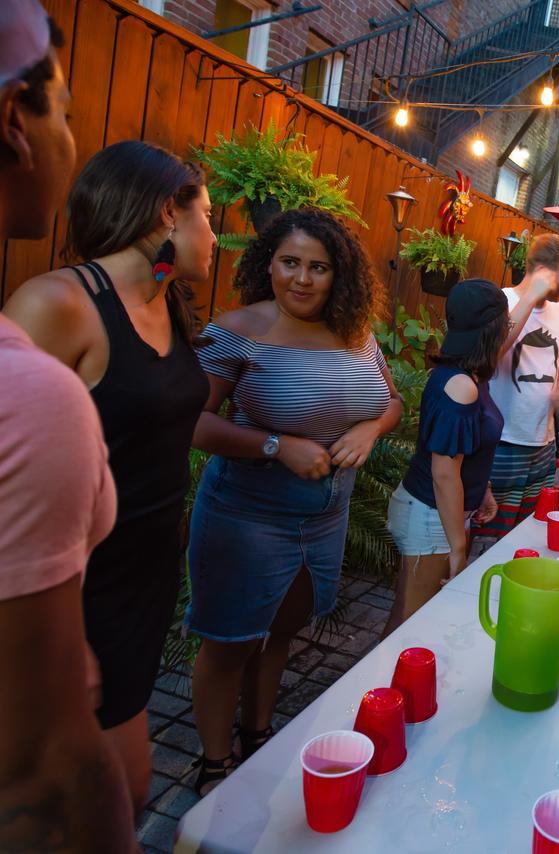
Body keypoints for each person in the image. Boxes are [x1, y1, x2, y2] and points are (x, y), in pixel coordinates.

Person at [6, 139, 216, 813]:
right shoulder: (57, 305)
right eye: (207, 216)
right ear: (165, 214)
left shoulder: (167, 303)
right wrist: (59, 641)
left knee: (120, 787)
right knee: (105, 792)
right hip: (69, 591)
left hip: (143, 579)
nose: (215, 236)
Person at [186, 208, 402, 793]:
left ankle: (257, 735)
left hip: (326, 515)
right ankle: (213, 761)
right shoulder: (237, 330)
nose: (302, 280)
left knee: (281, 632)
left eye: (318, 267)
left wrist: (370, 430)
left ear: (340, 276)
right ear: (268, 264)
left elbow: (390, 403)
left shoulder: (356, 331)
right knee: (230, 641)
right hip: (248, 514)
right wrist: (275, 445)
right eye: (290, 263)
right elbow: (190, 422)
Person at [0, 5, 134, 846]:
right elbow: (37, 778)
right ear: (16, 119)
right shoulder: (29, 393)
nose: (72, 142)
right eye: (68, 112)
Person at [383, 279, 506, 636]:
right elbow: (444, 473)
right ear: (492, 330)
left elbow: (464, 450)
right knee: (409, 623)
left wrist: (482, 489)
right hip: (429, 515)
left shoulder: (467, 376)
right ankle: (377, 689)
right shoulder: (461, 385)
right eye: (506, 324)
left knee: (409, 618)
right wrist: (458, 548)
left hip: (438, 511)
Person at [474, 232, 559, 547]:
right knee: (489, 538)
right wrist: (531, 297)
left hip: (542, 446)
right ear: (541, 271)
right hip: (502, 445)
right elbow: (488, 357)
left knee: (528, 535)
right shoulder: (500, 302)